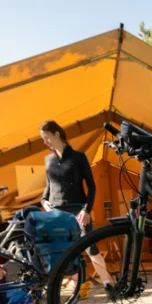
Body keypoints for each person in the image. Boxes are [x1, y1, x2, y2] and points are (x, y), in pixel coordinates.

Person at [39, 120, 112, 287]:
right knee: (62, 252)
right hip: (56, 212)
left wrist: (86, 210)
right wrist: (44, 202)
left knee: (91, 249)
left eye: (47, 137)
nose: (45, 142)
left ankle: (108, 285)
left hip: (78, 211)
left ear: (57, 134)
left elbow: (92, 186)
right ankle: (77, 287)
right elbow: (49, 185)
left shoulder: (78, 157)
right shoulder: (48, 160)